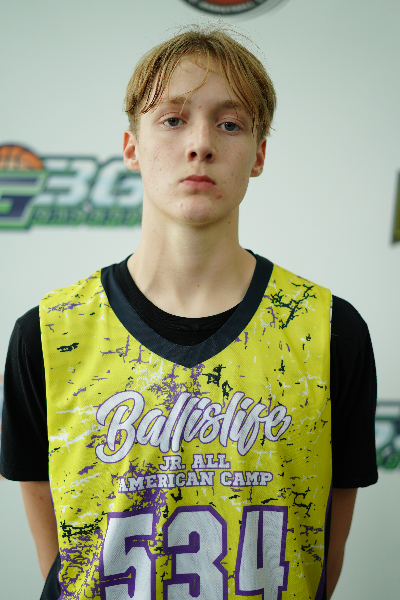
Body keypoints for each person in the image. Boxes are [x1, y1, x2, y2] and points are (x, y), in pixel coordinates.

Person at [0, 27, 377, 600]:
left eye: (230, 124)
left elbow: (317, 556)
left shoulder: (327, 330)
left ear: (258, 155)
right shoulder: (49, 333)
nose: (200, 144)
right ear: (132, 147)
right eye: (173, 119)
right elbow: (63, 557)